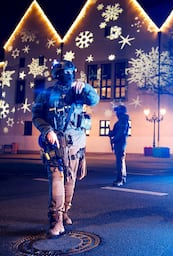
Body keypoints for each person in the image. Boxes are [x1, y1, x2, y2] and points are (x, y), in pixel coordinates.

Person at [32, 60, 99, 237]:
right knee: (56, 178)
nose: (68, 75)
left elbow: (94, 100)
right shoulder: (46, 94)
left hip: (75, 144)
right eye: (64, 72)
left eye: (70, 71)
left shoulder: (78, 90)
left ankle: (65, 211)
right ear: (56, 74)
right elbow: (37, 115)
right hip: (54, 143)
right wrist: (47, 130)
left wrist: (85, 87)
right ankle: (56, 220)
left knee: (70, 180)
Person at [109, 105, 130, 187]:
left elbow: (121, 133)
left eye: (117, 111)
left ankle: (120, 179)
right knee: (120, 160)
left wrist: (114, 139)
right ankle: (122, 178)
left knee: (120, 161)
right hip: (119, 142)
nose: (116, 113)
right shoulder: (119, 122)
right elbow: (116, 132)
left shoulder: (123, 121)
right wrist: (111, 133)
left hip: (120, 142)